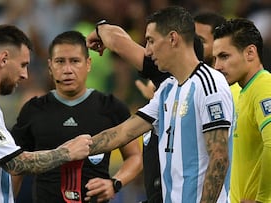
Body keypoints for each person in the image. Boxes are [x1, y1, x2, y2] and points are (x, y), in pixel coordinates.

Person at [86, 6, 233, 203]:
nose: (148, 51)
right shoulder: (167, 86)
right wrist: (61, 152)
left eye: (202, 40)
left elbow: (220, 157)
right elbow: (123, 133)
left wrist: (101, 29)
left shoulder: (210, 85)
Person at [0, 24, 92, 203]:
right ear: (4, 59)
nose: (25, 75)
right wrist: (67, 152)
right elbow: (16, 164)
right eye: (23, 65)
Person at [10, 30, 142, 203]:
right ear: (50, 66)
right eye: (60, 62)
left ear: (88, 64)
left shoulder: (111, 107)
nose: (67, 70)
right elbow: (15, 167)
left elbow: (135, 157)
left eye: (75, 61)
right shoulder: (33, 110)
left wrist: (114, 183)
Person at [213, 18, 271, 203]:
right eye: (215, 58)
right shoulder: (242, 91)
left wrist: (262, 199)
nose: (217, 66)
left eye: (224, 56)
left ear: (250, 52)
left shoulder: (264, 87)